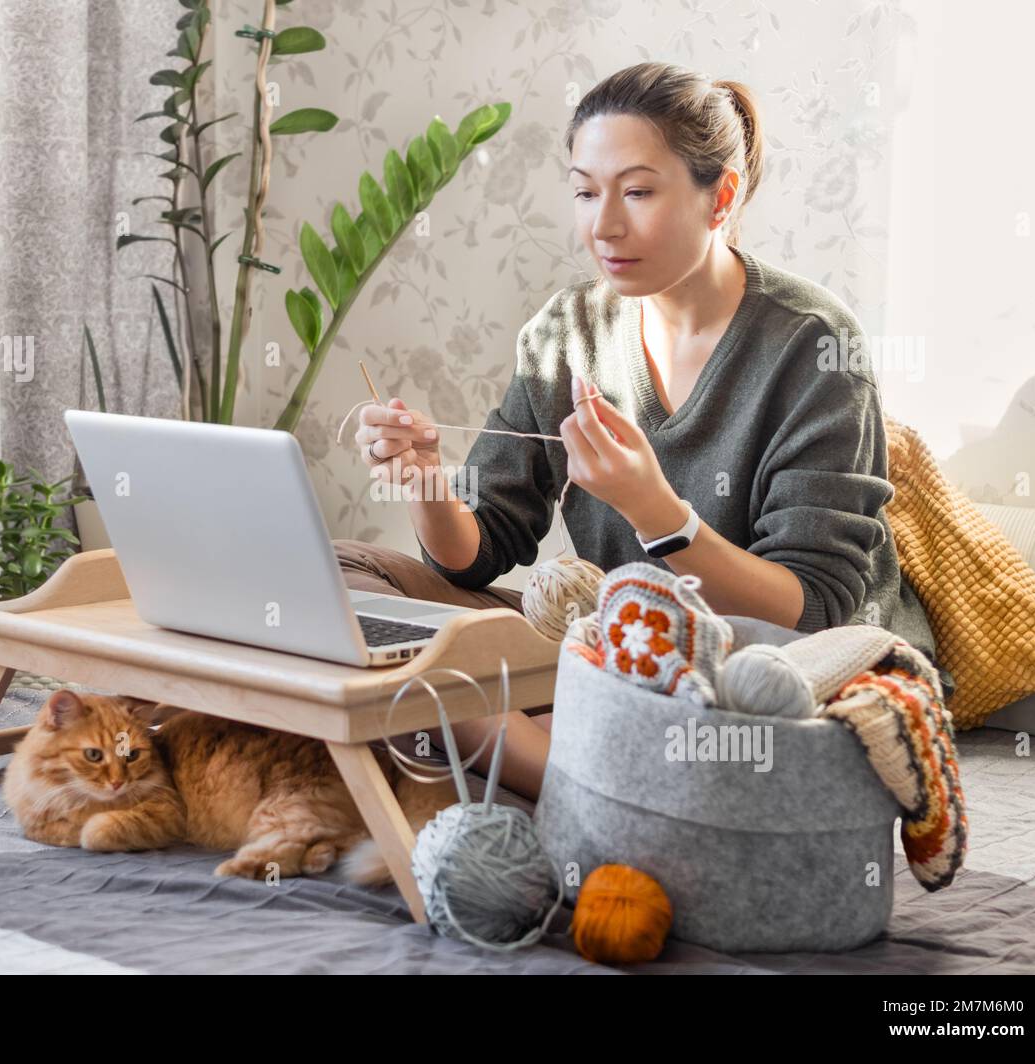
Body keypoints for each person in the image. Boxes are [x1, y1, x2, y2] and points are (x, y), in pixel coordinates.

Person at [334, 60, 946, 802]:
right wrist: (427, 481)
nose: (604, 225)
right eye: (586, 192)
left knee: (723, 711)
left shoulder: (813, 344)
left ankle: (565, 765)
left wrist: (657, 512)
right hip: (620, 647)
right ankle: (591, 772)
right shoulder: (567, 333)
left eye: (638, 191)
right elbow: (480, 550)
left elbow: (810, 606)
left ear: (720, 196)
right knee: (351, 586)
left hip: (785, 667)